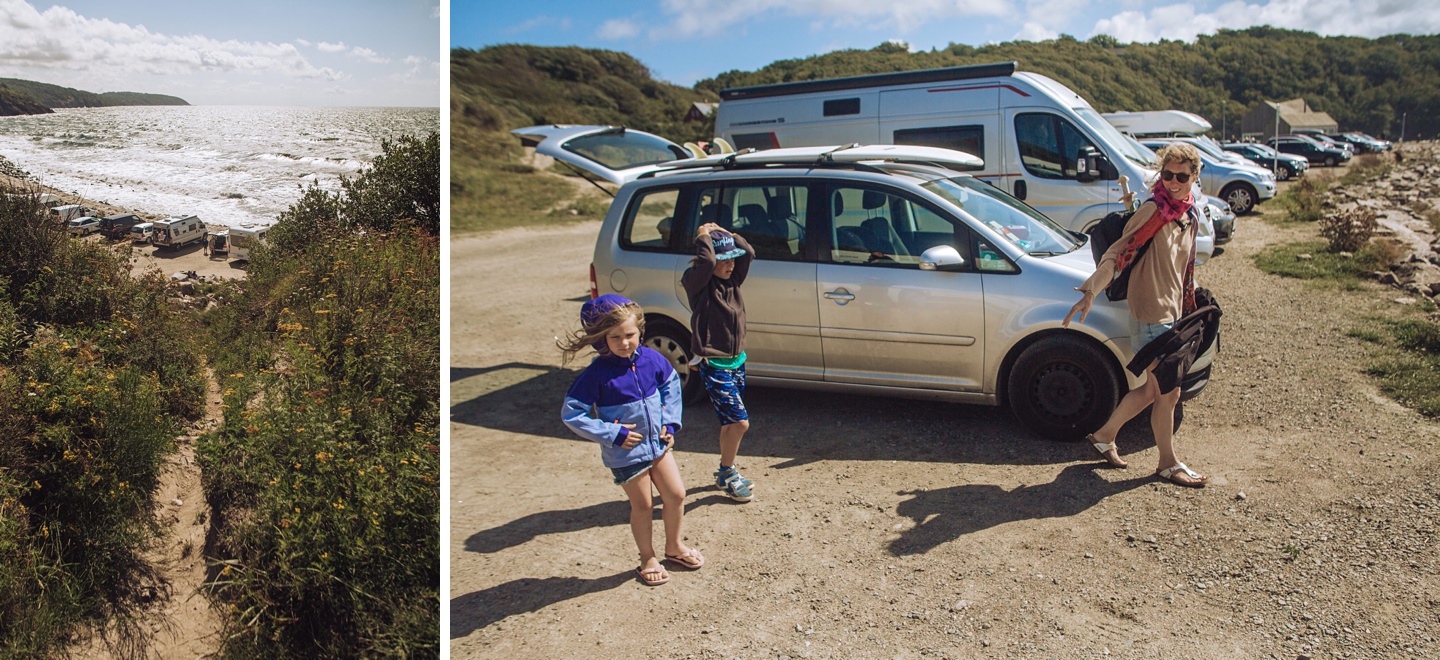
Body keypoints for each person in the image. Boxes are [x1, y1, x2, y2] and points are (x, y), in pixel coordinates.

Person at [1063, 142, 1209, 488]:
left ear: (1194, 177)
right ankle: (1168, 463)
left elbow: (1181, 268)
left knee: (1151, 389)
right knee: (1168, 393)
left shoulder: (1188, 215)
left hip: (1173, 311)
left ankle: (1104, 435)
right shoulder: (1153, 211)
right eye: (1167, 175)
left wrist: (1192, 300)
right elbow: (1117, 254)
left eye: (1180, 177)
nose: (1172, 182)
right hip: (1149, 313)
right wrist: (1090, 290)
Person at [559, 294, 704, 586]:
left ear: (640, 331)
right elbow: (571, 413)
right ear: (602, 339)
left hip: (658, 444)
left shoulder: (652, 359)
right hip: (625, 452)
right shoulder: (596, 375)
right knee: (644, 507)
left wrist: (669, 422)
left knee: (676, 495)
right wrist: (613, 433)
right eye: (615, 337)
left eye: (630, 335)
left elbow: (671, 385)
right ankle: (647, 558)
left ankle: (674, 546)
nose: (625, 343)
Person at [682, 224, 757, 502]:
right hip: (714, 364)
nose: (730, 264)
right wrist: (703, 235)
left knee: (729, 423)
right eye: (724, 259)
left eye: (732, 259)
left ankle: (726, 471)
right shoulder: (697, 284)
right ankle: (728, 471)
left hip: (737, 361)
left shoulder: (732, 281)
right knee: (740, 422)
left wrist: (725, 233)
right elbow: (708, 261)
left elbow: (748, 252)